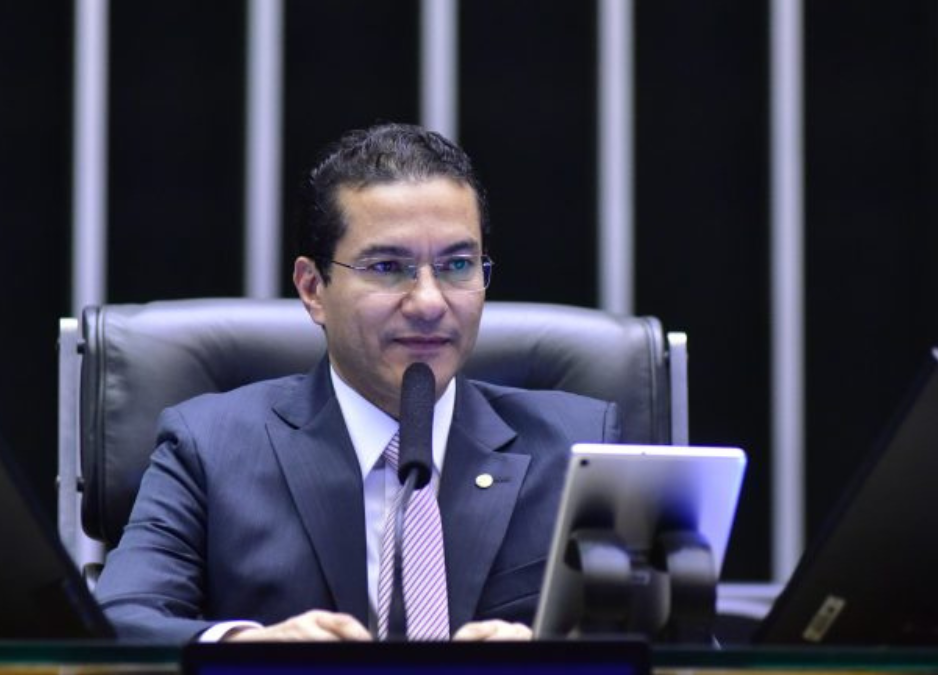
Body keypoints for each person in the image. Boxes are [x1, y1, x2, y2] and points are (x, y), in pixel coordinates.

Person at [93, 123, 621, 643]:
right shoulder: (209, 447)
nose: (429, 302)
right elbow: (120, 622)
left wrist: (553, 660)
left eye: (457, 264)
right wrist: (246, 650)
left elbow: (660, 639)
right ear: (312, 288)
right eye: (388, 267)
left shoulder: (578, 448)